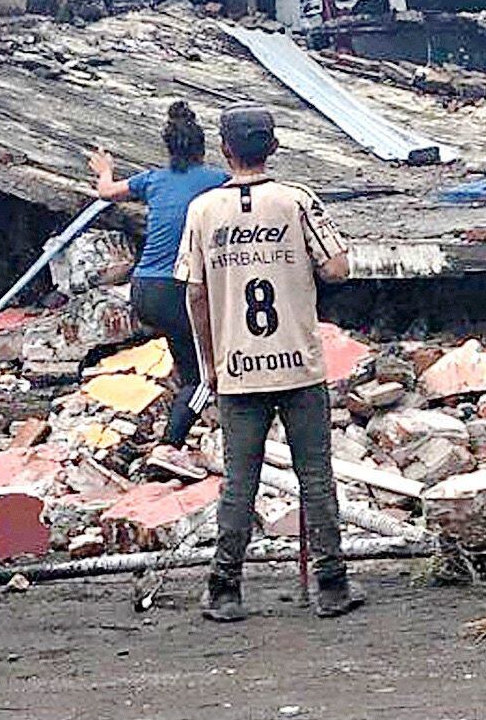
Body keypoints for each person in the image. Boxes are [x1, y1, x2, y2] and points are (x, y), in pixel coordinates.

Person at [175, 105, 362, 622]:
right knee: (316, 477)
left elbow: (195, 294)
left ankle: (225, 588)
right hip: (299, 364)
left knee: (239, 481)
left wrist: (208, 362)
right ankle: (331, 586)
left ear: (225, 150)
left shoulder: (203, 210)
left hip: (237, 368)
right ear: (273, 148)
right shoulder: (297, 201)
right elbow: (338, 269)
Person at [89, 101, 228, 480]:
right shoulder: (217, 181)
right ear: (204, 149)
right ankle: (170, 447)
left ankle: (176, 437)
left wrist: (105, 169)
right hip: (178, 288)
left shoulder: (151, 180)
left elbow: (105, 191)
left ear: (169, 149)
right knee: (203, 377)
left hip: (143, 287)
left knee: (187, 360)